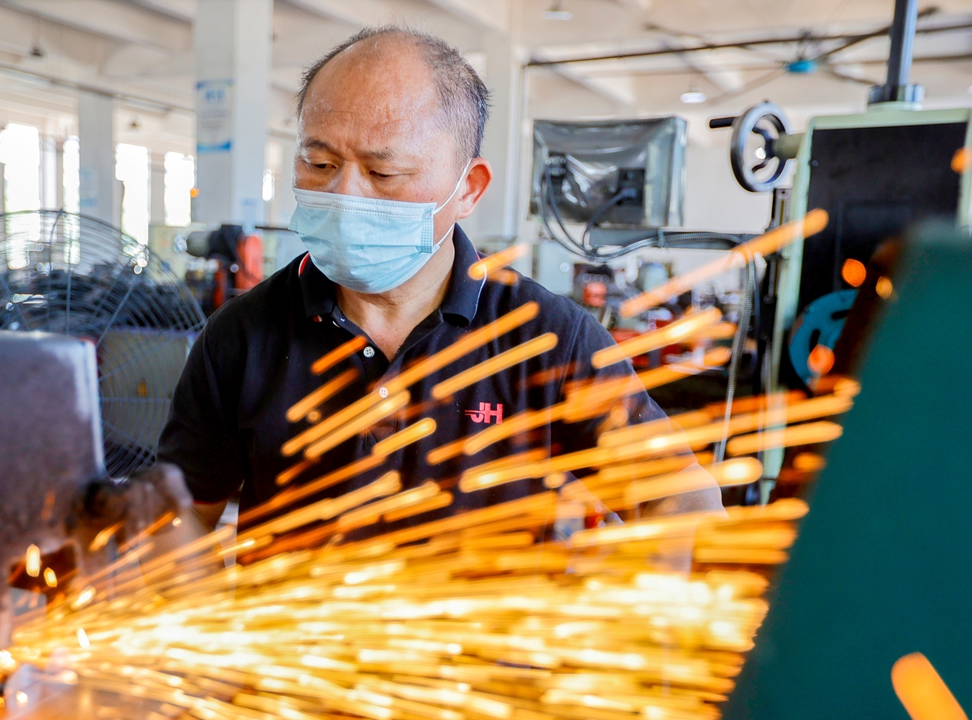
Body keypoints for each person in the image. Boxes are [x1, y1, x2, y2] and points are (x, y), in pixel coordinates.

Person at [144, 26, 721, 540]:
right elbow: (184, 515)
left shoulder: (547, 337)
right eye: (319, 165)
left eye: (383, 172)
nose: (345, 195)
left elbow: (678, 495)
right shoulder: (240, 338)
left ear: (468, 188)